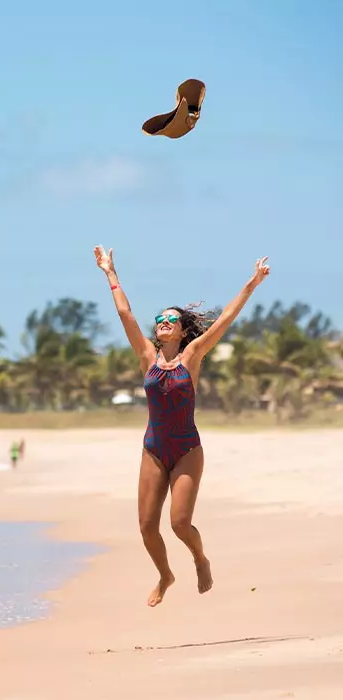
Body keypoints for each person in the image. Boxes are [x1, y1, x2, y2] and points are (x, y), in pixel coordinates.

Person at [93, 244, 270, 607]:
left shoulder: (193, 355)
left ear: (181, 330)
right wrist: (110, 272)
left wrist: (251, 284)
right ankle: (165, 575)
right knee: (145, 526)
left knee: (178, 523)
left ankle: (200, 558)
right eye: (160, 318)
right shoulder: (146, 355)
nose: (163, 321)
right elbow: (125, 314)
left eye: (171, 319)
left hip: (187, 449)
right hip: (154, 448)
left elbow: (224, 321)